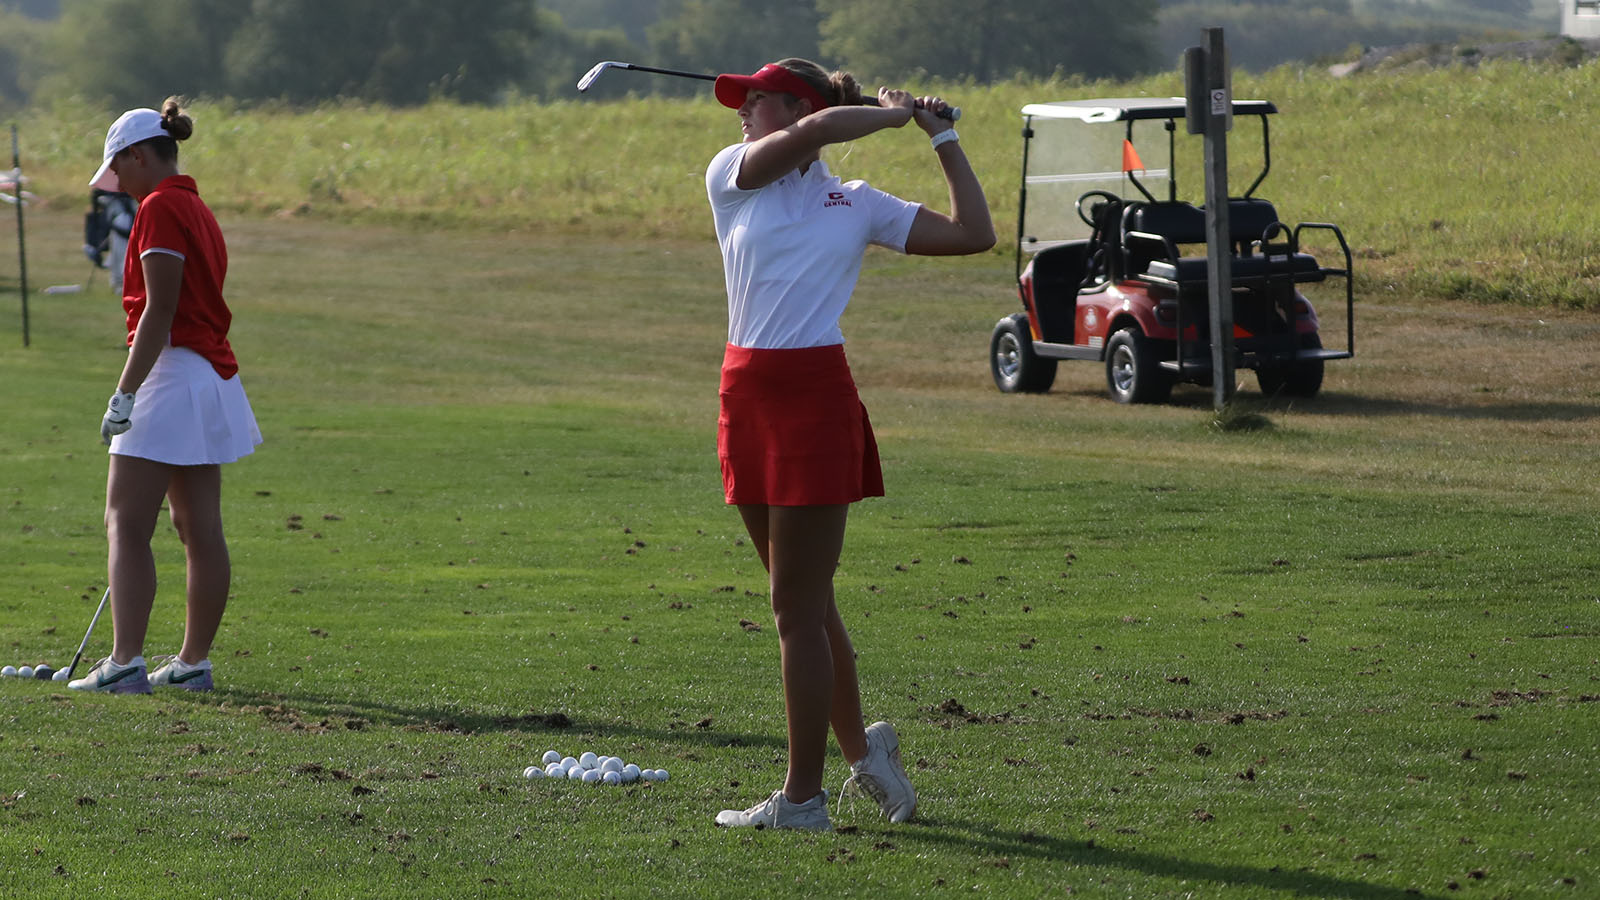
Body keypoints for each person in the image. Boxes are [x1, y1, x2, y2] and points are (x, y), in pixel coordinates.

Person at [705, 59, 995, 831]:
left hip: (814, 397)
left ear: (795, 105)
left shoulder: (856, 202)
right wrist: (894, 114)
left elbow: (975, 234)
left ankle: (801, 800)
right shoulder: (733, 173)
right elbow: (825, 127)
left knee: (796, 610)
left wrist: (942, 136)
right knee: (806, 601)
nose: (742, 111)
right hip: (747, 393)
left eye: (756, 99)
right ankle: (865, 756)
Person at [69, 98, 262, 694]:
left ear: (137, 156)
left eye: (117, 169)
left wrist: (124, 393)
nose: (118, 185)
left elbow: (160, 310)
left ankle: (125, 662)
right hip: (207, 375)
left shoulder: (158, 207)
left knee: (126, 522)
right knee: (198, 526)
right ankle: (191, 664)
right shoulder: (197, 206)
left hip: (171, 372)